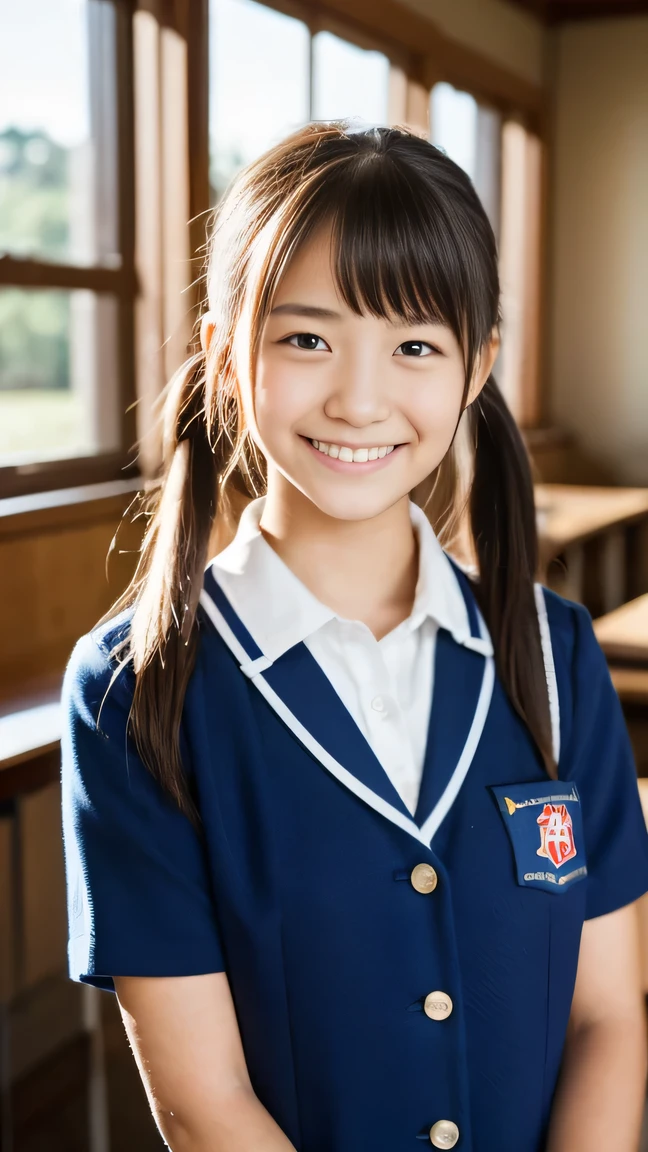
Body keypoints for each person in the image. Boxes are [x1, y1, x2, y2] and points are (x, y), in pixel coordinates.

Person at [60, 122, 648, 1152]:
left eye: (415, 344)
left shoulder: (556, 656)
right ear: (226, 354)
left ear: (478, 367)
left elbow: (607, 1018)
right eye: (307, 338)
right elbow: (205, 1109)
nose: (360, 400)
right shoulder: (137, 691)